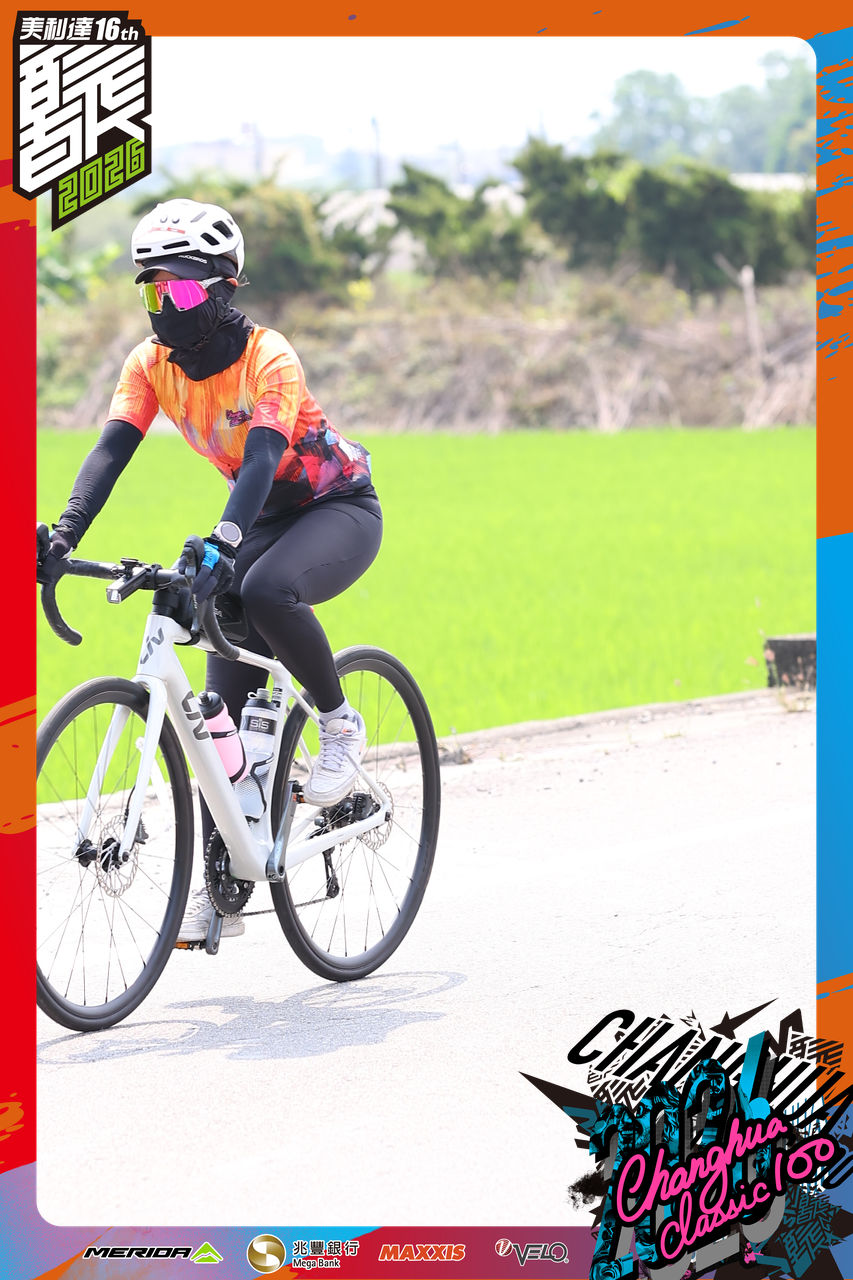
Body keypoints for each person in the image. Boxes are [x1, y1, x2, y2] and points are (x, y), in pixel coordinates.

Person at [39, 197, 383, 943]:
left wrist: (225, 540)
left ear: (225, 288)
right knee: (213, 714)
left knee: (263, 589)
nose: (168, 307)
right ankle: (224, 879)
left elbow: (261, 457)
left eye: (185, 290)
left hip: (335, 508)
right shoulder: (150, 365)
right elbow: (110, 452)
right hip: (256, 519)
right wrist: (63, 536)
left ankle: (338, 723)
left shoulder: (268, 356)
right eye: (154, 291)